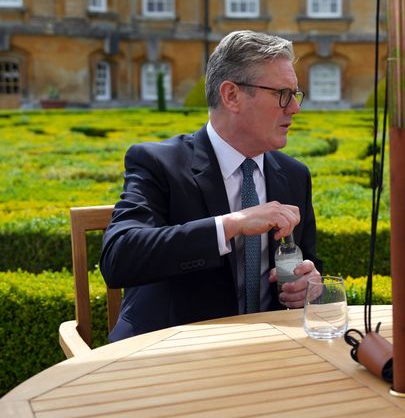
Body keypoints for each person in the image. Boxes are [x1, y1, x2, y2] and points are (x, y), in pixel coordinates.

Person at [100, 30, 321, 342]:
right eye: (282, 94)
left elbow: (309, 262)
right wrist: (230, 225)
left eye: (295, 95)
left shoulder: (294, 174)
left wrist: (310, 284)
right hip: (170, 351)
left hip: (270, 348)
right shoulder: (158, 163)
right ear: (231, 95)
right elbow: (118, 259)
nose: (294, 108)